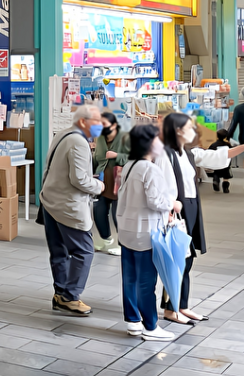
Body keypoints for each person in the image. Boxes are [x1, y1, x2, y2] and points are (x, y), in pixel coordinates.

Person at [156, 113, 244, 325]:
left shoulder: (188, 153)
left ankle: (182, 305)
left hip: (192, 208)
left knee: (187, 258)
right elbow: (162, 186)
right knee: (177, 259)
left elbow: (218, 157)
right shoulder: (164, 155)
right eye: (189, 127)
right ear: (177, 130)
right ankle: (171, 308)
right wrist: (168, 210)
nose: (194, 131)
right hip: (176, 210)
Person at [116, 125, 181, 341]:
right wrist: (173, 203)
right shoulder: (150, 169)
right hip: (146, 234)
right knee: (146, 281)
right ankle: (151, 327)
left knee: (130, 278)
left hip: (127, 230)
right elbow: (155, 201)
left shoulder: (130, 165)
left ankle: (133, 321)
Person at [39, 105, 105, 316]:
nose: (100, 125)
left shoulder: (62, 135)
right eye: (97, 121)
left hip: (50, 201)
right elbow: (79, 180)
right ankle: (70, 296)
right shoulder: (78, 141)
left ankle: (60, 293)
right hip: (68, 206)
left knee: (59, 252)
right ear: (84, 121)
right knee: (84, 251)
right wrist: (99, 187)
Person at [92, 112, 130, 256]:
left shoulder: (125, 137)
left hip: (119, 181)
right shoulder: (100, 138)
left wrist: (117, 156)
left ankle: (123, 245)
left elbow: (135, 157)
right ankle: (105, 241)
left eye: (104, 124)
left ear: (114, 125)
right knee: (99, 211)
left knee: (118, 215)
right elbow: (97, 158)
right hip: (102, 181)